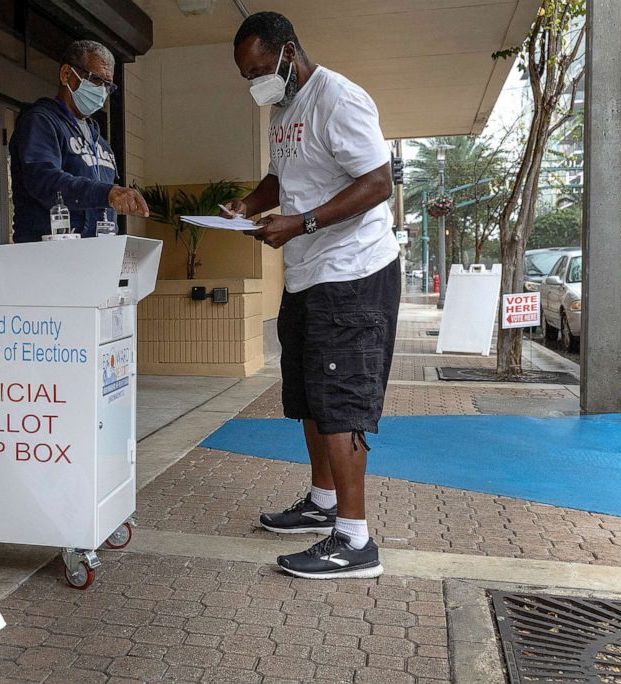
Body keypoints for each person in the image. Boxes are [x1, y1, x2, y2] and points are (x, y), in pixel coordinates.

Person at [224, 12, 400, 579]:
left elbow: (377, 182)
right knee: (311, 395)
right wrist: (248, 207)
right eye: (246, 76)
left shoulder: (338, 98)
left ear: (287, 52)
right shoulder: (286, 109)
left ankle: (354, 541)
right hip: (306, 275)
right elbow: (282, 178)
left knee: (342, 398)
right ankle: (323, 503)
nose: (255, 84)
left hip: (352, 273)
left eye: (258, 70)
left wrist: (300, 225)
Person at [9, 40, 148, 242]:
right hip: (49, 258)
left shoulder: (99, 141)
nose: (102, 91)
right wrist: (107, 193)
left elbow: (103, 200)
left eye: (108, 85)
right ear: (67, 75)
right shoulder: (41, 122)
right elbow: (43, 179)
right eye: (96, 80)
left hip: (95, 254)